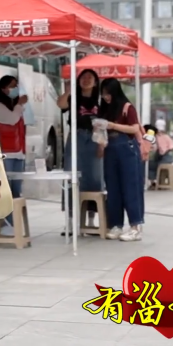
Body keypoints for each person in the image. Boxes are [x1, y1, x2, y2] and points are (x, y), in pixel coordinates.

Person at [98, 78, 145, 242]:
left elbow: (134, 128)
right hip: (110, 148)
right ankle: (116, 224)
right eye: (103, 94)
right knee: (113, 188)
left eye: (108, 93)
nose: (106, 97)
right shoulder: (104, 109)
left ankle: (135, 226)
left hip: (127, 148)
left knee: (131, 186)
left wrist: (113, 125)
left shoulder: (127, 107)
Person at [57, 69, 104, 230]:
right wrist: (69, 91)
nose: (86, 80)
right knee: (71, 175)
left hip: (95, 138)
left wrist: (102, 144)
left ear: (96, 82)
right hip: (76, 136)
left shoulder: (100, 99)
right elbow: (61, 104)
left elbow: (105, 123)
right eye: (83, 77)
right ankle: (70, 219)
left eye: (90, 78)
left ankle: (90, 217)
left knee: (95, 177)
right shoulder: (74, 97)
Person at [0, 75, 27, 236]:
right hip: (5, 153)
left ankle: (15, 222)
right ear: (3, 88)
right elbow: (12, 120)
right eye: (12, 86)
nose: (15, 89)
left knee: (16, 192)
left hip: (18, 153)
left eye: (16, 85)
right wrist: (19, 105)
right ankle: (6, 223)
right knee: (6, 191)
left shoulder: (14, 105)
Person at [148, 119, 173, 189]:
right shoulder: (161, 136)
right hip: (165, 156)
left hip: (167, 156)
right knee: (151, 164)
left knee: (154, 165)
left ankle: (157, 183)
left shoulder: (162, 137)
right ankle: (156, 182)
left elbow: (169, 147)